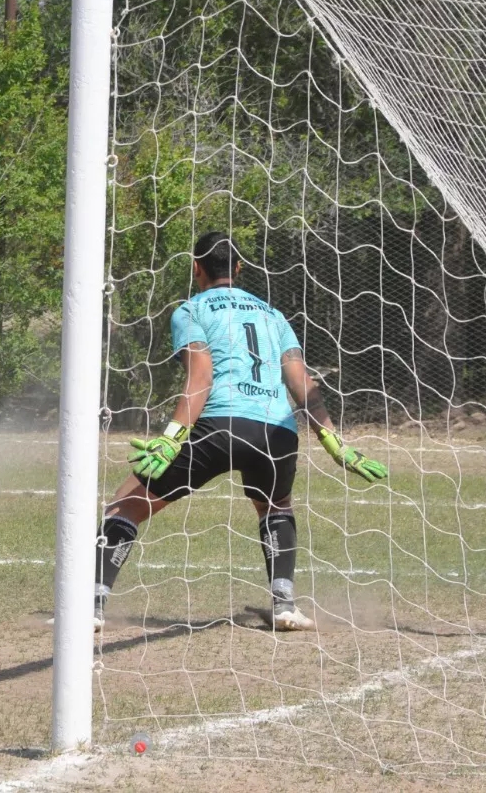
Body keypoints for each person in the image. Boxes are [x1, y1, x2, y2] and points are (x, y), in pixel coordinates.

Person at [96, 232, 388, 631]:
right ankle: (284, 604)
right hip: (278, 432)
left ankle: (92, 605)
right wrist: (335, 444)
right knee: (276, 507)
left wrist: (171, 437)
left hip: (220, 426)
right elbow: (303, 384)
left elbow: (201, 378)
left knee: (124, 504)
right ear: (238, 267)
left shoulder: (191, 310)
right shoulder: (273, 315)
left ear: (196, 267)